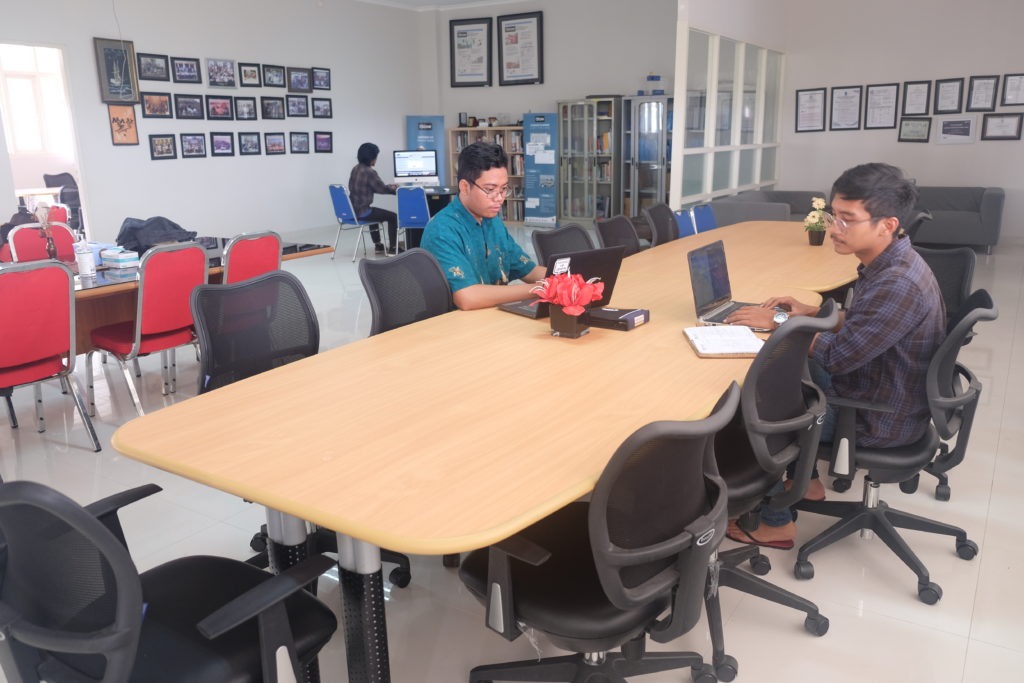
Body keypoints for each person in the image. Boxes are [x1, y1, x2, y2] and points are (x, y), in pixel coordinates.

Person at [722, 162, 946, 548]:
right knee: (790, 377)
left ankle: (776, 522)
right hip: (881, 390)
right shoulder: (892, 261)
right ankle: (806, 482)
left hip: (876, 416)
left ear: (887, 225)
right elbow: (864, 322)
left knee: (751, 412)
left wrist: (778, 321)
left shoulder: (897, 283)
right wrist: (810, 313)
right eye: (832, 215)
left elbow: (838, 357)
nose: (833, 228)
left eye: (847, 219)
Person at [421, 142, 546, 310]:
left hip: (492, 314)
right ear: (465, 187)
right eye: (490, 189)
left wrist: (565, 279)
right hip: (460, 322)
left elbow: (527, 269)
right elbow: (468, 297)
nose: (499, 198)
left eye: (503, 189)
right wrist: (540, 289)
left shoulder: (492, 221)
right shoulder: (442, 230)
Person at [349, 142, 398, 255]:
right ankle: (393, 248)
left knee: (374, 213)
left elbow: (373, 187)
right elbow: (382, 189)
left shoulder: (355, 169)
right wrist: (396, 190)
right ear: (371, 157)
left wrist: (387, 187)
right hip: (362, 211)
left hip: (353, 210)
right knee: (393, 217)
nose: (376, 159)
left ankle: (378, 245)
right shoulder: (369, 171)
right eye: (376, 157)